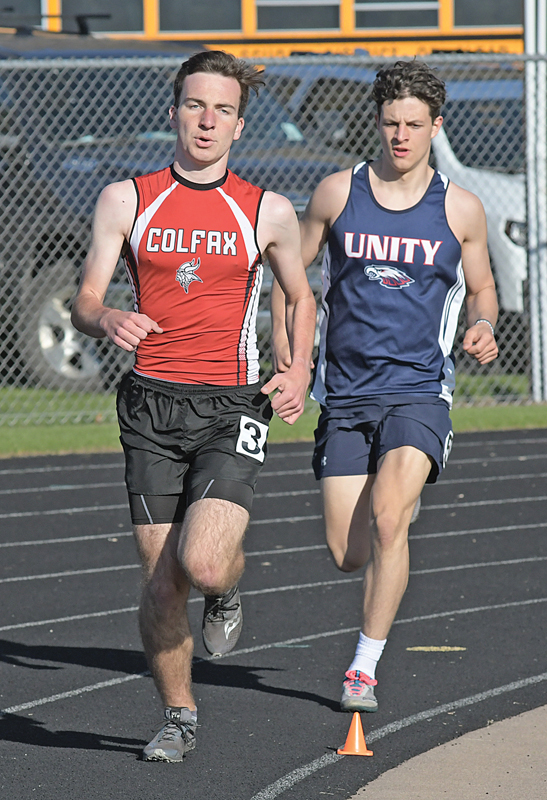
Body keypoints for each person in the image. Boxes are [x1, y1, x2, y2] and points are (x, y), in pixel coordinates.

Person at [71, 50, 316, 762]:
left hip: (231, 403)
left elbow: (299, 295)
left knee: (204, 564)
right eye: (194, 105)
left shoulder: (266, 208)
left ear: (240, 125)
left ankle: (227, 589)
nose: (206, 120)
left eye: (222, 110)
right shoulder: (127, 198)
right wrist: (107, 317)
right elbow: (86, 297)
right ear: (174, 110)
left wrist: (297, 369)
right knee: (160, 582)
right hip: (150, 405)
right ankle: (178, 715)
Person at [271, 59, 498, 713]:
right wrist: (287, 355)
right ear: (376, 123)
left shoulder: (459, 208)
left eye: (413, 124)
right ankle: (389, 518)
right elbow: (294, 272)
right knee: (348, 554)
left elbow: (481, 288)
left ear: (435, 126)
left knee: (390, 518)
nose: (400, 136)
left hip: (418, 390)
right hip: (344, 394)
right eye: (390, 123)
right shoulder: (337, 194)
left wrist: (481, 325)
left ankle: (362, 668)